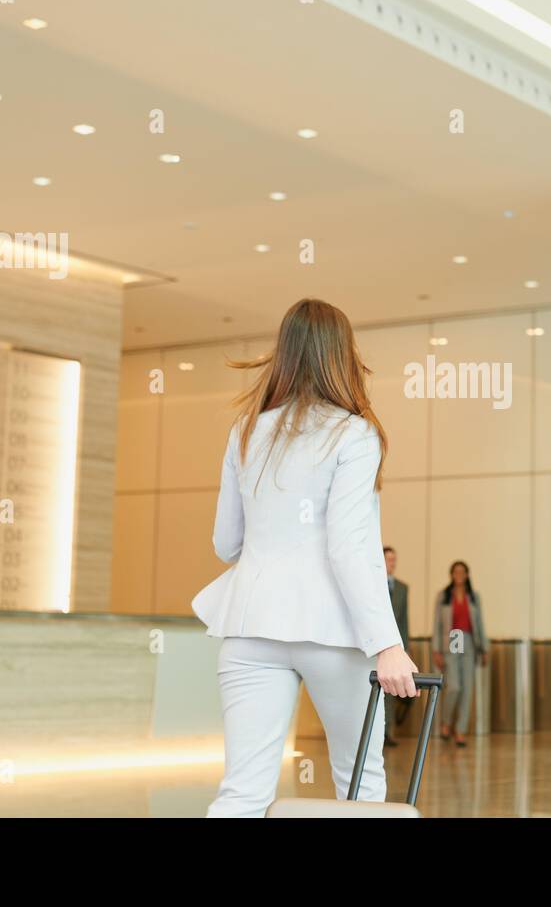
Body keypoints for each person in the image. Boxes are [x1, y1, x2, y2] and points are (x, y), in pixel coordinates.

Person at [191, 298, 420, 817]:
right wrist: (387, 644)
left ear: (285, 353)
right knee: (358, 783)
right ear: (343, 356)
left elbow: (226, 543)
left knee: (242, 792)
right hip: (333, 630)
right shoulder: (355, 433)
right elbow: (346, 545)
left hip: (250, 626)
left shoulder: (246, 431)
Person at [431, 560, 487, 747]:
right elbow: (437, 624)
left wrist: (484, 648)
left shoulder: (473, 597)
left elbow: (480, 624)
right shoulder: (444, 596)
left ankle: (460, 730)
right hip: (454, 638)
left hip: (470, 640)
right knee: (454, 686)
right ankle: (446, 722)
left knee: (467, 688)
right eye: (456, 572)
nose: (459, 575)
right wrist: (436, 649)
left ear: (467, 574)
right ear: (452, 574)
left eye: (463, 572)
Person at [382, 546, 410, 747]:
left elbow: (404, 620)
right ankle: (375, 732)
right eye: (388, 559)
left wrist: (405, 647)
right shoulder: (371, 584)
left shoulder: (402, 588)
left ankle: (387, 731)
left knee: (391, 692)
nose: (392, 563)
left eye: (394, 560)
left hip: (395, 646)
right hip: (374, 646)